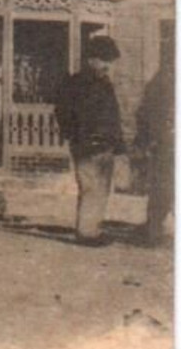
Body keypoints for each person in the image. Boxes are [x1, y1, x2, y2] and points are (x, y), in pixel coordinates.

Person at [53, 35, 125, 246]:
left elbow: (114, 115)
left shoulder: (105, 84)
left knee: (102, 189)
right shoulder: (74, 83)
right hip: (86, 145)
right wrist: (75, 135)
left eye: (110, 61)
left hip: (105, 144)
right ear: (90, 59)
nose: (107, 66)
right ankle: (86, 233)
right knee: (90, 188)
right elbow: (62, 112)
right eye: (104, 60)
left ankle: (93, 229)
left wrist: (119, 146)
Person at [133, 60, 174, 248]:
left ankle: (154, 227)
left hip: (164, 143)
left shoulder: (159, 81)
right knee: (163, 187)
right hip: (165, 144)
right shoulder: (161, 82)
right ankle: (154, 229)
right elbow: (145, 114)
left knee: (162, 187)